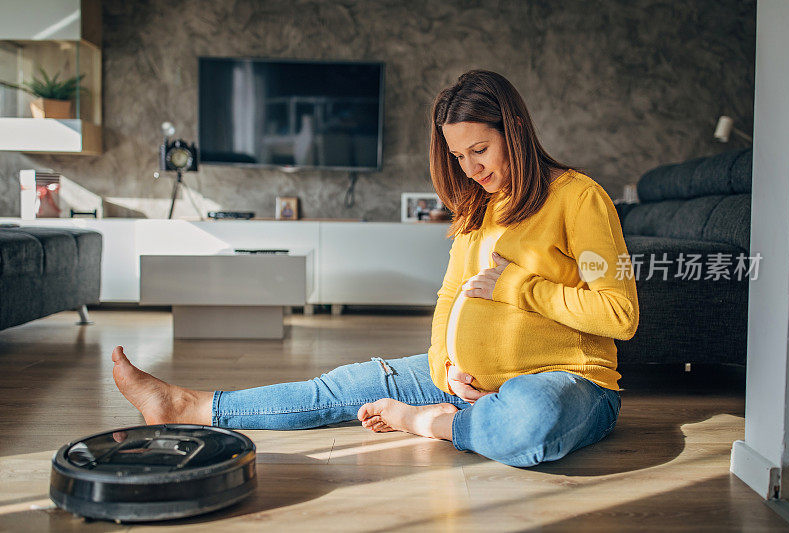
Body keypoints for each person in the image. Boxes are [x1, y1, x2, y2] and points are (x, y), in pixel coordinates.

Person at [111, 70, 638, 468]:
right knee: (343, 386)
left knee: (530, 423)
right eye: (458, 156)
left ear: (515, 131)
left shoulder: (578, 198)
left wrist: (520, 285)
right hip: (470, 382)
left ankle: (434, 423)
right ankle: (187, 405)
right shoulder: (480, 206)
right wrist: (443, 367)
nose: (472, 170)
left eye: (481, 149)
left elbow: (620, 315)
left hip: (565, 383)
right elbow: (451, 293)